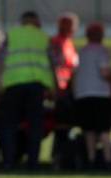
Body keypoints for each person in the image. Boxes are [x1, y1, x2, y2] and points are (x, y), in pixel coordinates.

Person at [0, 11, 54, 170]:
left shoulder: (11, 35)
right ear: (36, 21)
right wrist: (53, 88)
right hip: (36, 86)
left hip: (12, 84)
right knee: (35, 125)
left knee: (9, 125)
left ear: (22, 21)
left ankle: (8, 161)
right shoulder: (43, 37)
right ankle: (33, 163)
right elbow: (52, 64)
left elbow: (1, 61)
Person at [72, 22, 111, 169]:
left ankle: (91, 159)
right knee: (104, 129)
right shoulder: (101, 51)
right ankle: (108, 159)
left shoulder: (82, 52)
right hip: (100, 94)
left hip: (83, 94)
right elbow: (104, 72)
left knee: (88, 129)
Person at [49, 12, 79, 169]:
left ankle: (64, 157)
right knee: (61, 125)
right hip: (61, 89)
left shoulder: (69, 43)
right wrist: (56, 87)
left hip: (68, 88)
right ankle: (57, 158)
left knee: (67, 125)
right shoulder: (56, 43)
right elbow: (54, 66)